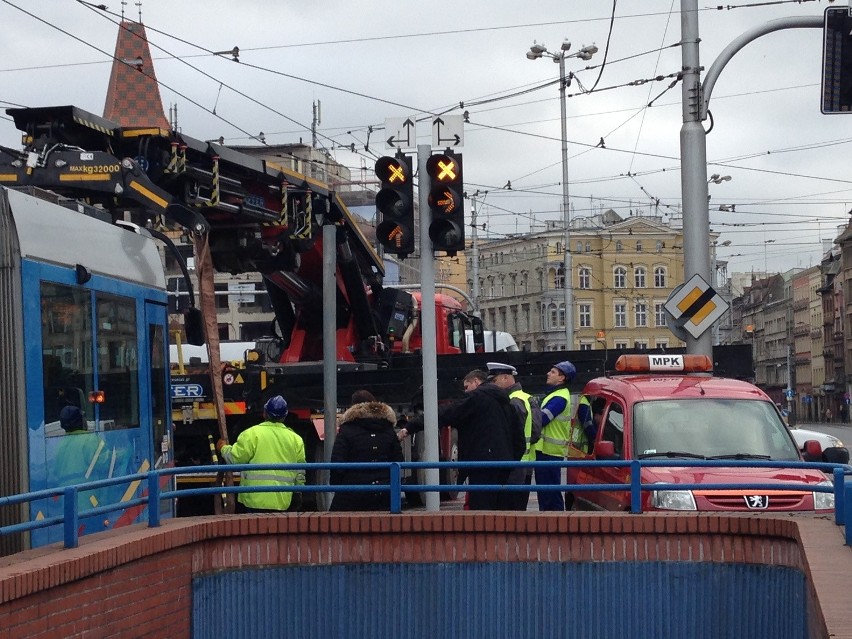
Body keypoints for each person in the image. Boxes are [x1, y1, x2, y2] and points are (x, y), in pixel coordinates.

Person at [402, 368, 524, 510]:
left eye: (467, 387)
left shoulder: (477, 398)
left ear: (476, 382)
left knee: (481, 511)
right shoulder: (507, 403)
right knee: (500, 511)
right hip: (503, 466)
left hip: (481, 465)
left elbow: (447, 412)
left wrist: (411, 426)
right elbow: (519, 439)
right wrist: (511, 461)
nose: (466, 392)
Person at [216, 395, 305, 513]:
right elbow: (300, 472)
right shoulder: (296, 440)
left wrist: (223, 448)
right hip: (282, 502)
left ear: (264, 413)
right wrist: (298, 493)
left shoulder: (251, 434)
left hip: (253, 500)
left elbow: (234, 458)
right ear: (284, 416)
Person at [329, 396, 403, 511]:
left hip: (351, 494)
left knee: (337, 525)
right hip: (384, 494)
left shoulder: (346, 430)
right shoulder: (388, 430)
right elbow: (398, 461)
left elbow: (337, 464)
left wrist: (337, 486)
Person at [487, 362, 541, 511]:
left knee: (509, 511)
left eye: (494, 380)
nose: (492, 384)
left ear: (505, 378)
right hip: (527, 464)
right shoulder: (527, 397)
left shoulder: (512, 401)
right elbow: (536, 432)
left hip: (513, 465)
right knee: (519, 510)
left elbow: (510, 434)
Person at [535, 360, 580, 511]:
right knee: (546, 493)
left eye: (553, 372)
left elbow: (542, 419)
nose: (548, 373)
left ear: (562, 378)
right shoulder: (556, 395)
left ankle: (557, 526)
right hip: (546, 451)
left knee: (550, 495)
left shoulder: (560, 397)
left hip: (550, 452)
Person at [51, 405, 110, 515]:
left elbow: (55, 471)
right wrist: (124, 453)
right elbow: (105, 462)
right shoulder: (90, 440)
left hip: (68, 503)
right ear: (80, 421)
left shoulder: (60, 445)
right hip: (90, 502)